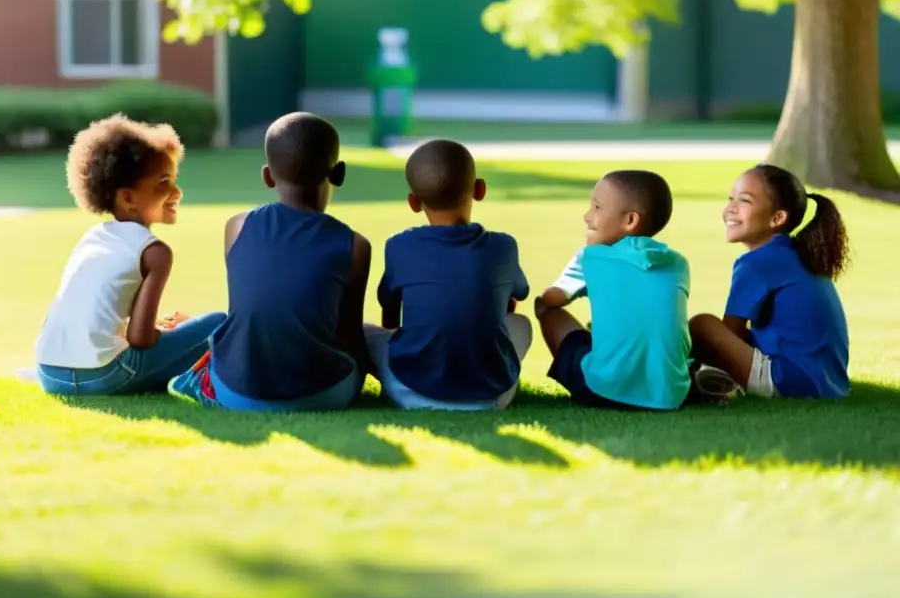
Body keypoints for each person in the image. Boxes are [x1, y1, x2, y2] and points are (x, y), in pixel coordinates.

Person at [169, 112, 371, 411]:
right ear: (338, 173)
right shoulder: (355, 245)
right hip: (324, 396)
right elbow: (350, 334)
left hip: (236, 393)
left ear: (267, 175)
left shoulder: (236, 227)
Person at [35, 115, 225, 395]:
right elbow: (141, 338)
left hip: (49, 374)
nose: (177, 192)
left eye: (174, 180)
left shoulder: (92, 238)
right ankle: (205, 382)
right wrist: (172, 334)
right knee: (220, 323)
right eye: (163, 182)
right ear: (128, 198)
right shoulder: (154, 252)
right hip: (104, 375)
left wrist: (161, 329)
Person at [363, 139, 532, 410]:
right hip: (491, 398)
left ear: (413, 202)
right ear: (479, 189)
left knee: (365, 331)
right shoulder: (503, 246)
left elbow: (390, 311)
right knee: (521, 323)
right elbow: (511, 303)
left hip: (408, 390)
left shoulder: (399, 246)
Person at [536, 170, 694, 410]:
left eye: (597, 208)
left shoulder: (590, 256)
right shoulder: (678, 263)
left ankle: (592, 379)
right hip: (669, 395)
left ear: (630, 221)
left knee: (545, 307)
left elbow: (553, 298)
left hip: (603, 390)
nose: (587, 216)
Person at [689, 164, 850, 399]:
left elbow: (729, 332)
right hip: (824, 382)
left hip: (790, 382)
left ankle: (688, 382)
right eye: (731, 199)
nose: (730, 209)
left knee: (703, 325)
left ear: (777, 218)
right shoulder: (796, 253)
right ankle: (704, 379)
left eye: (744, 201)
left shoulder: (757, 262)